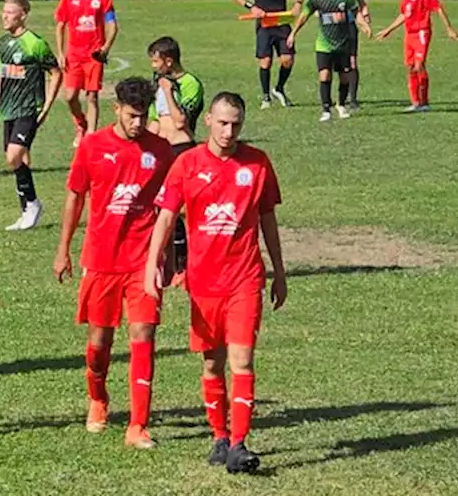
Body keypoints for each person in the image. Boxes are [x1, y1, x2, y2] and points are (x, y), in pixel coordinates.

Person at [143, 92, 287, 474]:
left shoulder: (257, 164)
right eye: (222, 123)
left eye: (236, 124)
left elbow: (268, 220)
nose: (229, 131)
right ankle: (220, 436)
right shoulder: (187, 164)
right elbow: (166, 217)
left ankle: (239, 443)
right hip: (203, 283)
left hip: (245, 279)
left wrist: (280, 270)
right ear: (207, 120)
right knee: (212, 364)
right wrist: (151, 264)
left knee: (242, 361)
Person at [54, 77, 173, 449]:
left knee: (143, 335)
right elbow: (75, 198)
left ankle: (138, 425)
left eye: (144, 116)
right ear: (117, 109)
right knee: (99, 341)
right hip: (102, 259)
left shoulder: (161, 151)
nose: (138, 123)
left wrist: (166, 256)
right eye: (132, 115)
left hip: (142, 260)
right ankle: (98, 398)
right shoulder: (92, 147)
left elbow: (170, 209)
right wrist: (63, 249)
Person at [0, 0, 63, 231]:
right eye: (3, 11)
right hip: (9, 109)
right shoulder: (4, 43)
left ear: (23, 15)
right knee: (18, 161)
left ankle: (32, 204)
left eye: (10, 12)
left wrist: (47, 106)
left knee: (13, 156)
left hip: (29, 108)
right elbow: (1, 76)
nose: (5, 16)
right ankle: (27, 210)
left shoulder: (35, 43)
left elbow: (56, 73)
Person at [146, 36, 205, 285]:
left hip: (183, 148)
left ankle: (190, 264)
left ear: (169, 62)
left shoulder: (191, 84)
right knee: (164, 208)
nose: (153, 66)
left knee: (185, 209)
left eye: (156, 61)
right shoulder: (157, 82)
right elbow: (154, 120)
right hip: (163, 150)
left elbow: (181, 121)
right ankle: (173, 264)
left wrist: (169, 92)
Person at [375, 0, 458, 112]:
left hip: (422, 31)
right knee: (410, 67)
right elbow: (404, 14)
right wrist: (389, 29)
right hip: (409, 33)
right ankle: (415, 102)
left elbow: (438, 8)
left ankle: (425, 102)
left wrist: (449, 28)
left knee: (419, 65)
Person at [288, 0, 372, 122]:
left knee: (344, 77)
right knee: (324, 75)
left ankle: (340, 105)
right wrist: (293, 33)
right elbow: (304, 16)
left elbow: (356, 13)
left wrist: (365, 25)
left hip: (343, 43)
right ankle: (326, 109)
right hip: (324, 44)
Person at [231, 0, 304, 108]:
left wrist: (298, 4)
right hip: (264, 25)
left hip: (282, 23)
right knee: (266, 62)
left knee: (288, 59)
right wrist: (251, 6)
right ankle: (265, 97)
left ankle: (278, 88)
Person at [54, 0, 118, 144]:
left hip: (93, 55)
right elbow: (60, 26)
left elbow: (112, 25)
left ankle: (90, 136)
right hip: (74, 55)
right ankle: (80, 123)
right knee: (70, 96)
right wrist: (60, 53)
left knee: (92, 95)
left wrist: (105, 48)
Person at [330, 0, 370, 110]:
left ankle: (353, 99)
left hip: (350, 26)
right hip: (332, 29)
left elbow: (362, 3)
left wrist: (365, 15)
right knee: (333, 63)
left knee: (352, 61)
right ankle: (335, 97)